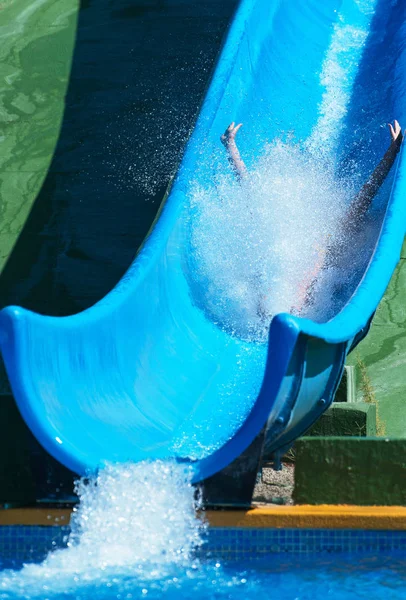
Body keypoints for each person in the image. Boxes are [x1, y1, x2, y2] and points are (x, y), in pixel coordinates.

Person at [220, 120, 403, 314]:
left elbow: (367, 194)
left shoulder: (330, 249)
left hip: (318, 268)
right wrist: (230, 145)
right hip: (293, 291)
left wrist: (393, 151)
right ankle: (229, 144)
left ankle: (229, 145)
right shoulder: (281, 254)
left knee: (358, 215)